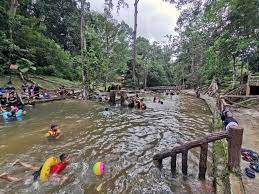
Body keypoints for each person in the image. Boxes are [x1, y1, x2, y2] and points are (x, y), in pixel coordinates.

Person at [0, 153, 71, 185]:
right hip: (40, 174)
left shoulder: (62, 164)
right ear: (63, 160)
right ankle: (5, 176)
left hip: (43, 169)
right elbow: (53, 174)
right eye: (68, 158)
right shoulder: (61, 166)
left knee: (32, 168)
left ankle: (19, 163)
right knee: (22, 182)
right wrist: (62, 178)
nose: (70, 159)